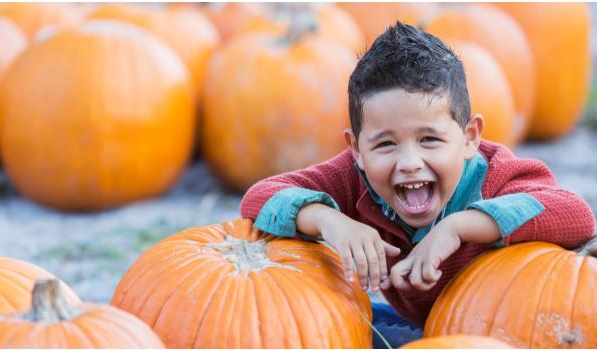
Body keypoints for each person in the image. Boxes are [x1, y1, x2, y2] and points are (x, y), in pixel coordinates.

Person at [239, 22, 595, 347]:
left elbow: (575, 214)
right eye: (385, 144)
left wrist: (459, 227)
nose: (409, 163)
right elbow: (259, 198)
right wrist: (331, 222)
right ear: (357, 148)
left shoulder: (496, 173)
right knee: (344, 328)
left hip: (501, 332)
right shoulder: (351, 176)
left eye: (429, 140)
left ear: (469, 137)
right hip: (417, 329)